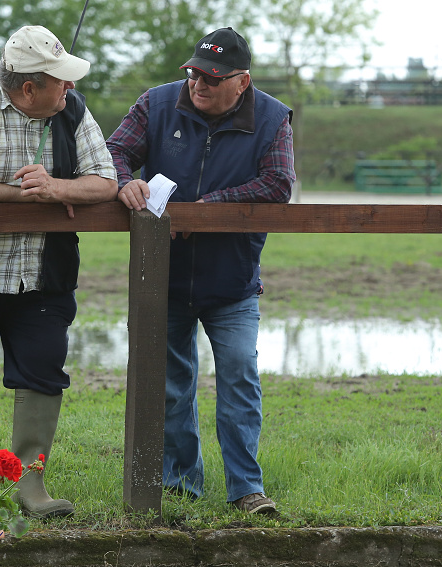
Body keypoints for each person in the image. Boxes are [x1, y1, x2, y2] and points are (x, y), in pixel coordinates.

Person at [0, 25, 118, 518]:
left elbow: (105, 181)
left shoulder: (70, 109)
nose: (70, 89)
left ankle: (29, 484)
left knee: (44, 372)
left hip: (43, 274)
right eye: (61, 81)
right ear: (28, 87)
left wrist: (55, 188)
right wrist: (25, 195)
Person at [106, 27, 295, 514]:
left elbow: (277, 184)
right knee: (171, 384)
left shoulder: (274, 118)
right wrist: (125, 183)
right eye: (194, 74)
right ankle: (180, 484)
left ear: (242, 81)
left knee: (239, 378)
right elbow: (112, 153)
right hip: (162, 279)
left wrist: (208, 209)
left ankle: (246, 489)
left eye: (212, 77)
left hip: (233, 284)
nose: (199, 84)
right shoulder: (156, 103)